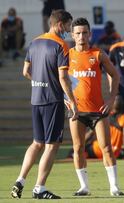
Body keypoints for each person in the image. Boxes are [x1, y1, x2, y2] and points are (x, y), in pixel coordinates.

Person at [11, 10, 77, 199]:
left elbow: (25, 71)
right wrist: (72, 101)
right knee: (51, 145)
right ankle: (40, 188)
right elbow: (64, 78)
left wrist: (39, 82)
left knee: (36, 143)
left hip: (36, 99)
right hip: (52, 100)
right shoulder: (61, 45)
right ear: (60, 24)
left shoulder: (34, 42)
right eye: (68, 26)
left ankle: (20, 180)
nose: (68, 30)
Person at [67, 17, 123, 197]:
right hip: (77, 111)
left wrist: (111, 99)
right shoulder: (67, 56)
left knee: (107, 147)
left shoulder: (99, 54)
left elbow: (115, 76)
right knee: (78, 148)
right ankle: (84, 187)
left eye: (84, 32)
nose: (81, 36)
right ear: (72, 35)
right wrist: (64, 99)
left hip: (99, 111)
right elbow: (59, 80)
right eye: (78, 33)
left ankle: (114, 187)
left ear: (90, 34)